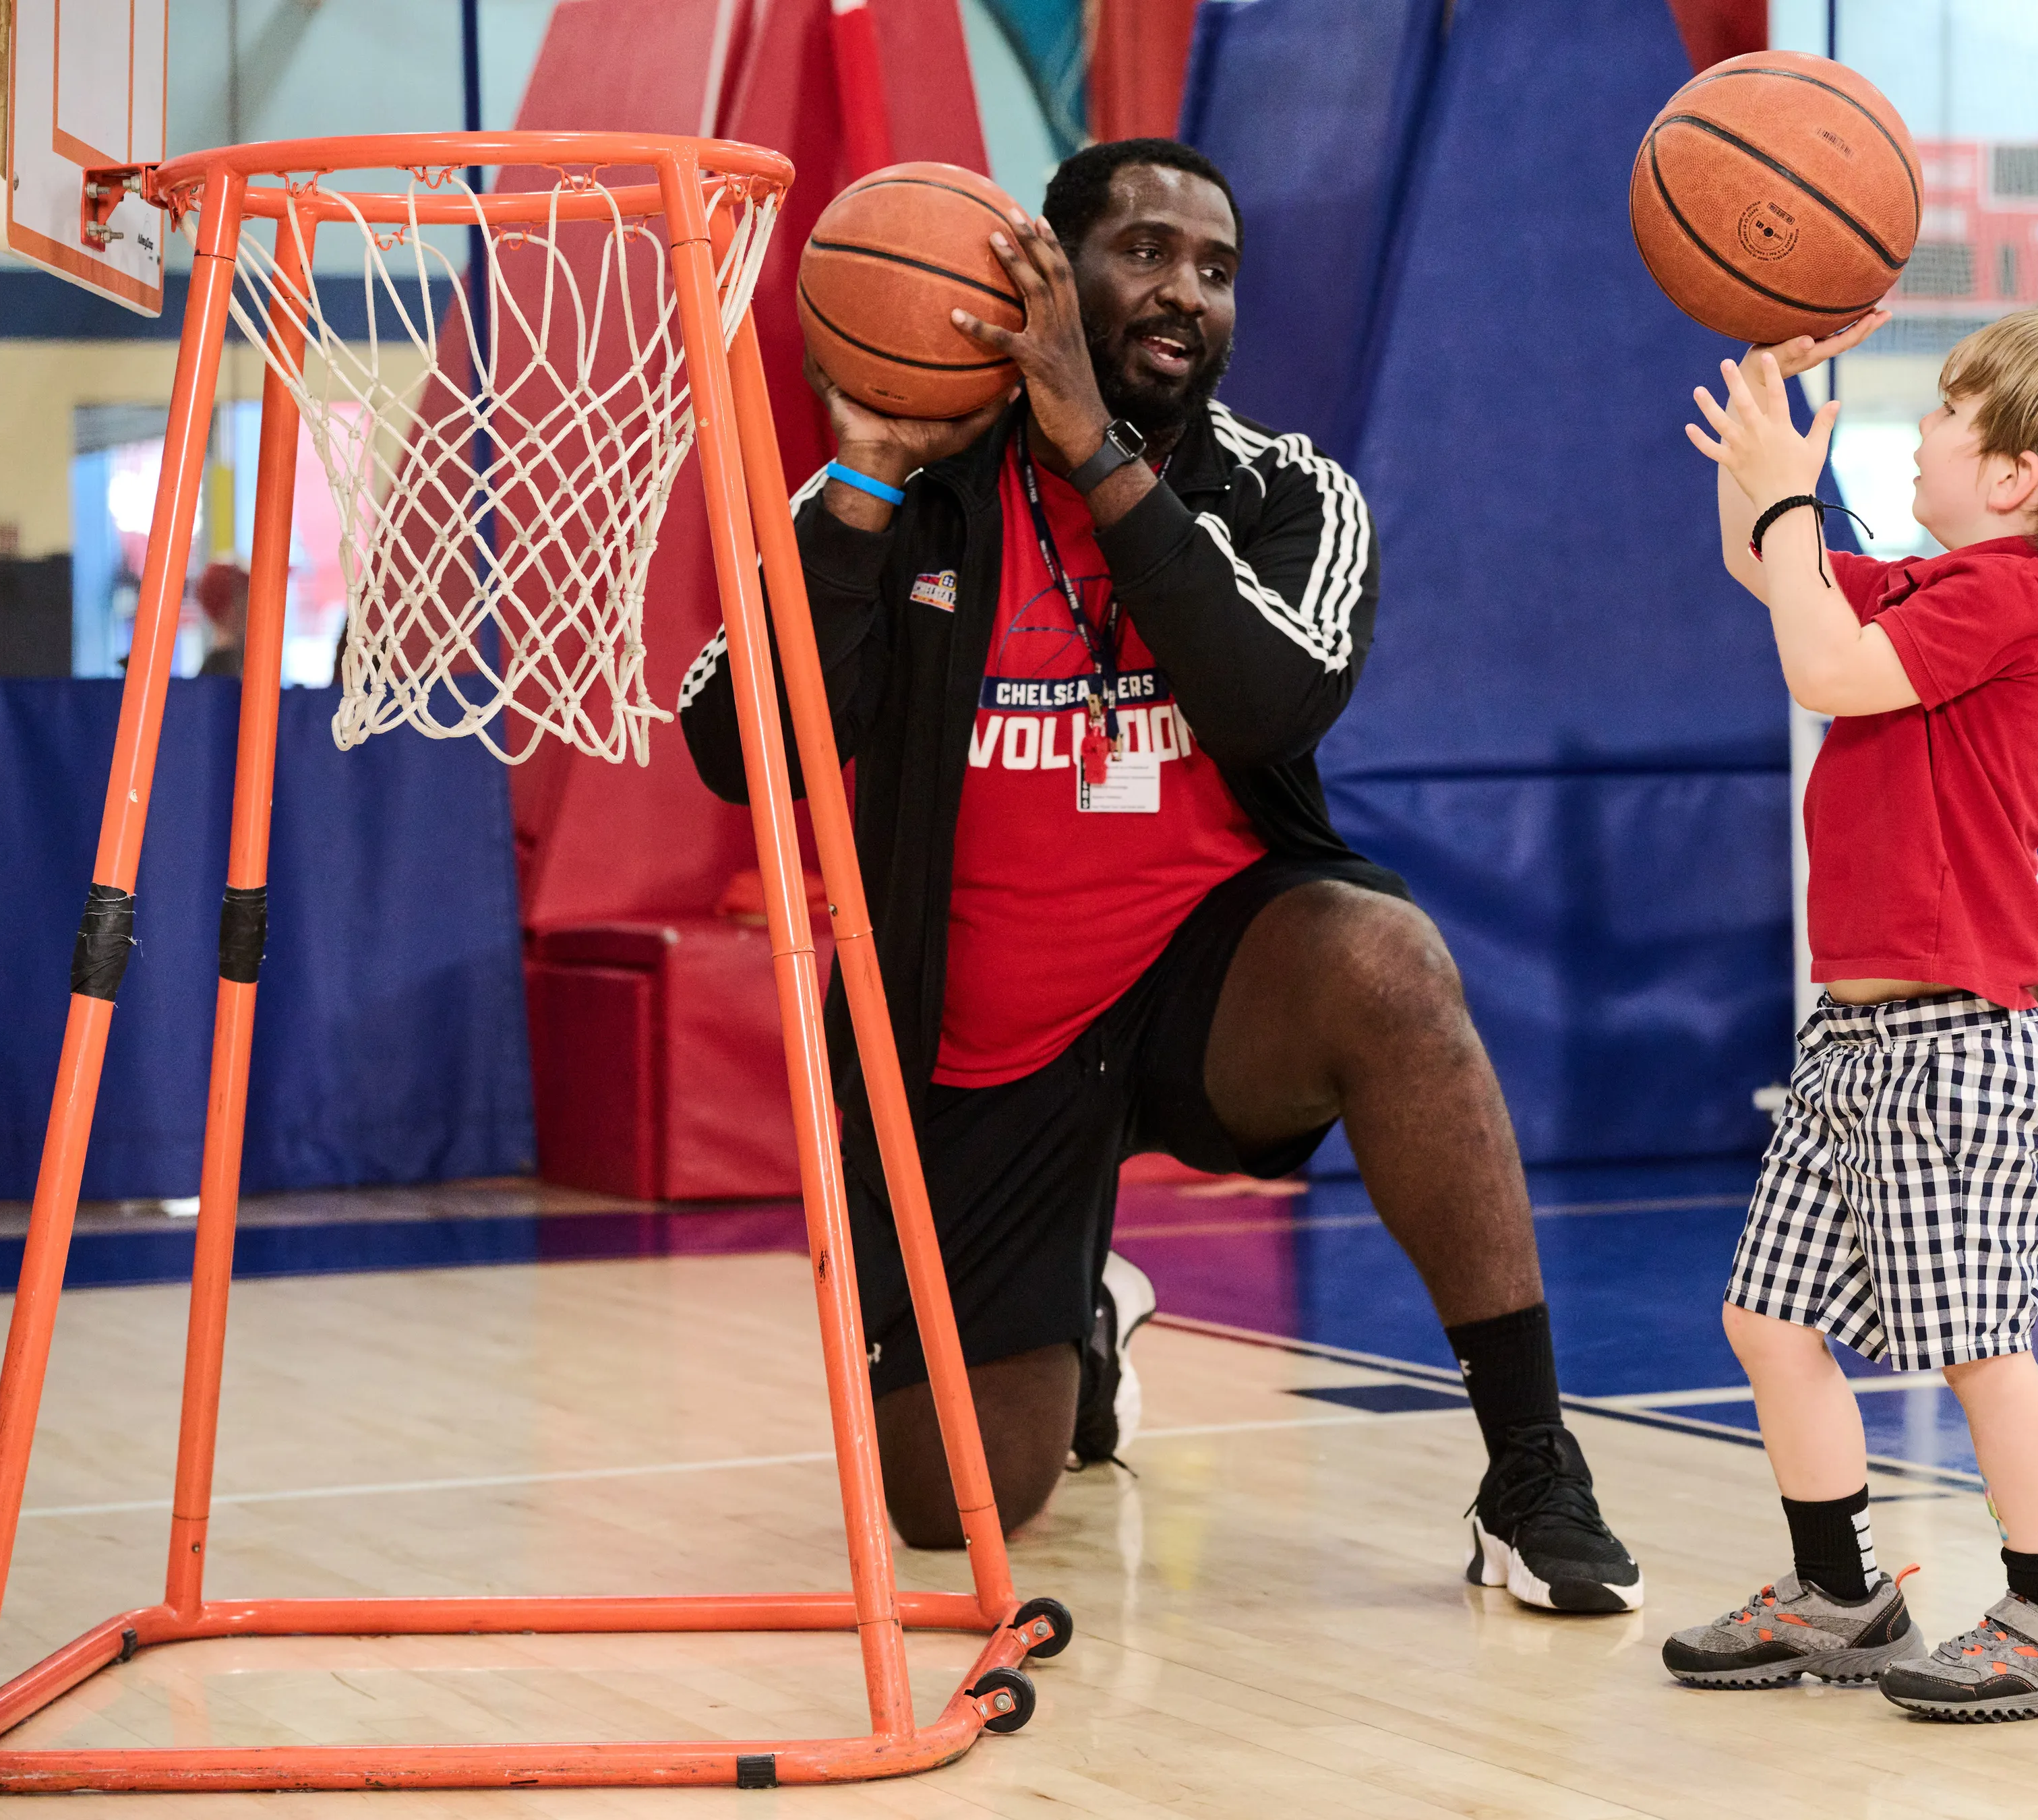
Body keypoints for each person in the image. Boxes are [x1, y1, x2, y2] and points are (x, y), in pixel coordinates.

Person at [679, 139, 1642, 1612]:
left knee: (1385, 962)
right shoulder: (915, 497)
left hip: (1209, 982)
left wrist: (1097, 455)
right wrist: (864, 484)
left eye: (1215, 267)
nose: (1182, 291)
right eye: (1141, 252)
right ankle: (1084, 1306)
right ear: (1045, 279)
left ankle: (1530, 1465)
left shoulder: (1288, 494)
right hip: (980, 1045)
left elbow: (1269, 705)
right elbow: (735, 753)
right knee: (950, 1509)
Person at [1664, 302, 2038, 1717]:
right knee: (1766, 1321)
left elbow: (1821, 665)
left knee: (1981, 1347)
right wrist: (1767, 425)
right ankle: (1839, 1588)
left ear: (2018, 478)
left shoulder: (2021, 604)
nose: (1922, 429)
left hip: (1954, 1045)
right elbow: (1764, 569)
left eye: (1952, 415)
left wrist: (1791, 493)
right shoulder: (1929, 584)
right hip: (1855, 1041)